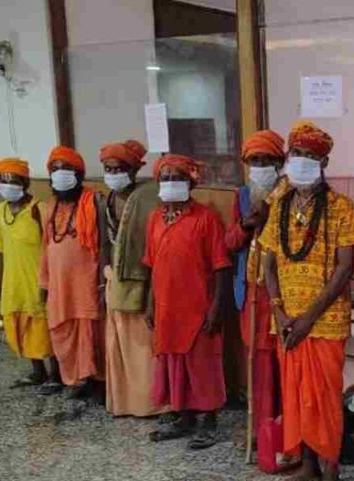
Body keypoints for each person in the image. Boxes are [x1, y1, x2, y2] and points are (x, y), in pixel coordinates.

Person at [260, 121, 354, 481]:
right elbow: (269, 262)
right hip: (286, 319)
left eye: (310, 155)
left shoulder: (341, 208)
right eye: (297, 154)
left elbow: (345, 269)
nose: (302, 161)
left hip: (326, 321)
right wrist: (278, 310)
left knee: (324, 398)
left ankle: (330, 470)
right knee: (295, 393)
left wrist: (308, 317)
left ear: (325, 161)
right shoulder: (280, 205)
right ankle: (306, 466)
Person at [143, 154, 231, 450]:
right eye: (166, 178)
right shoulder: (155, 218)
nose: (171, 182)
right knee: (173, 362)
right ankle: (183, 417)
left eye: (178, 178)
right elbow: (152, 264)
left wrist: (216, 308)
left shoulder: (206, 218)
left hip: (198, 307)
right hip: (167, 307)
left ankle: (208, 421)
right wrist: (150, 302)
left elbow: (221, 267)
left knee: (202, 365)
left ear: (190, 182)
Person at [98, 139, 165, 417]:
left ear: (134, 170)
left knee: (144, 346)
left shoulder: (148, 198)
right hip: (116, 279)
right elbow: (105, 242)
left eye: (120, 169)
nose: (114, 174)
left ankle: (151, 403)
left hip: (144, 280)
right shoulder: (106, 199)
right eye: (108, 169)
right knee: (121, 344)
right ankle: (125, 402)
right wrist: (104, 276)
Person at [226, 130, 285, 439]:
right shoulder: (242, 196)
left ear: (280, 163)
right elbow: (229, 242)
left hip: (284, 292)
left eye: (266, 160)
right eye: (254, 161)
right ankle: (261, 431)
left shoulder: (290, 193)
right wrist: (246, 224)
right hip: (250, 289)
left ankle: (286, 428)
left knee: (283, 358)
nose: (260, 166)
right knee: (258, 362)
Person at [38, 146, 104, 398]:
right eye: (55, 169)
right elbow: (46, 246)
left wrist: (102, 278)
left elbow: (103, 243)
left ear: (79, 174)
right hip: (59, 284)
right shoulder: (51, 206)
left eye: (66, 168)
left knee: (91, 332)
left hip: (86, 281)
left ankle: (95, 381)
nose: (60, 173)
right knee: (62, 330)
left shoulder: (93, 201)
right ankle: (76, 379)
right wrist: (44, 282)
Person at [0, 157, 60, 389]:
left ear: (25, 183)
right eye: (3, 181)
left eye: (14, 181)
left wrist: (49, 281)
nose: (8, 185)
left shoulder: (39, 210)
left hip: (36, 279)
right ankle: (37, 372)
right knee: (21, 325)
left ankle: (55, 375)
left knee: (43, 326)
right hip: (13, 282)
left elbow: (51, 248)